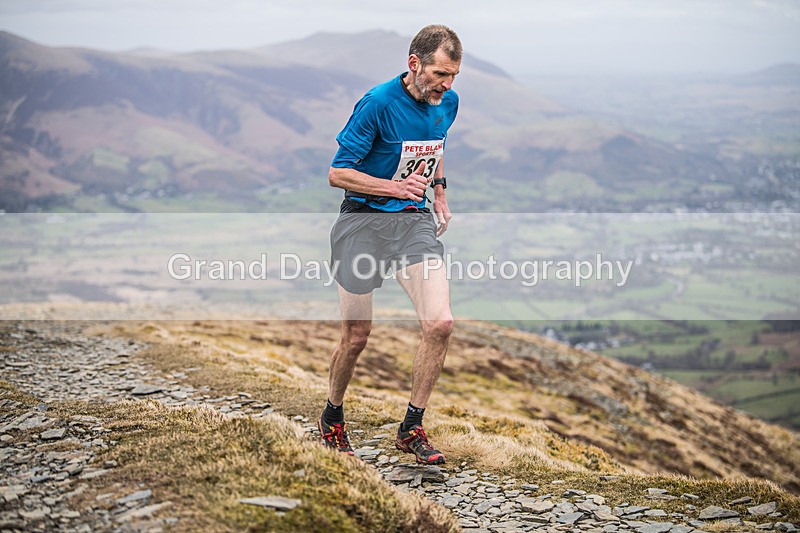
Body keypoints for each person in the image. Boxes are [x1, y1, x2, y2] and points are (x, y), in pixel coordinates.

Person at [318, 24, 461, 465]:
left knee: (440, 324)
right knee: (357, 336)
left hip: (412, 223)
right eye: (439, 73)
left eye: (454, 75)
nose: (447, 84)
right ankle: (332, 416)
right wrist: (391, 188)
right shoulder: (377, 103)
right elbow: (337, 172)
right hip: (361, 221)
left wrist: (437, 191)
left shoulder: (446, 103)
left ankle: (411, 427)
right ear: (413, 64)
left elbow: (434, 148)